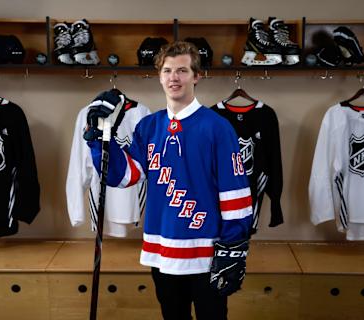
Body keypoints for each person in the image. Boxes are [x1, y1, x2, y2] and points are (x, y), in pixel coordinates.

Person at [86, 41, 252, 320]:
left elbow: (234, 192)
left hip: (206, 253)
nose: (174, 77)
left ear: (197, 76)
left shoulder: (218, 127)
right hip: (162, 250)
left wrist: (234, 246)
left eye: (182, 70)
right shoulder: (149, 126)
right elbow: (124, 175)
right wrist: (100, 136)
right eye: (167, 71)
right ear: (159, 76)